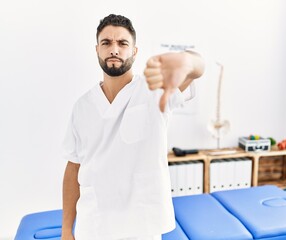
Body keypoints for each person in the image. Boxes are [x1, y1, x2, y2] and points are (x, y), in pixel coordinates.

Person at [61, 14, 204, 240]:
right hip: (94, 223)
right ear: (97, 49)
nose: (114, 49)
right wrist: (66, 230)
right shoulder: (82, 106)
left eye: (122, 43)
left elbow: (198, 68)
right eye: (106, 43)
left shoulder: (155, 90)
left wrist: (187, 61)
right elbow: (73, 167)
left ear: (134, 51)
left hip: (141, 225)